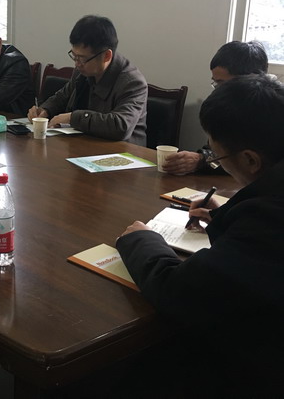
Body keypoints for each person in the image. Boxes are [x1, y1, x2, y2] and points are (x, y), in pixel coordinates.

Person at [117, 75, 284, 396]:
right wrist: (224, 216)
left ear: (251, 160)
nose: (215, 161)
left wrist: (141, 239)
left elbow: (176, 291)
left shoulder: (269, 219)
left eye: (218, 157)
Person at [28, 15, 147, 145]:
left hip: (122, 152)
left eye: (82, 58)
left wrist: (73, 118)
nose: (77, 64)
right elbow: (63, 96)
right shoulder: (83, 70)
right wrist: (45, 110)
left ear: (106, 56)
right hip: (84, 144)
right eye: (74, 56)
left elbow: (121, 126)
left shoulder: (132, 83)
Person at [162, 40, 269, 175]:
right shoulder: (223, 107)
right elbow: (217, 150)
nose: (218, 90)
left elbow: (252, 163)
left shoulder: (272, 111)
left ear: (250, 79)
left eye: (222, 83)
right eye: (215, 82)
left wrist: (202, 161)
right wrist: (201, 158)